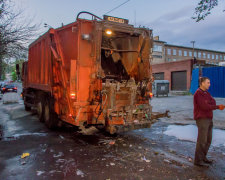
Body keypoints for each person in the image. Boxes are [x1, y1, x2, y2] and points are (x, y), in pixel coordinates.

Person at [193, 77, 224, 167]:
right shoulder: (198, 94)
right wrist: (217, 107)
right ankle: (198, 161)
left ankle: (203, 157)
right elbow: (204, 106)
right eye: (208, 82)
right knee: (202, 140)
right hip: (202, 119)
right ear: (202, 83)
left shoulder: (206, 93)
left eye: (209, 83)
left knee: (208, 140)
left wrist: (211, 104)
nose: (209, 84)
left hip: (209, 118)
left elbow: (212, 101)